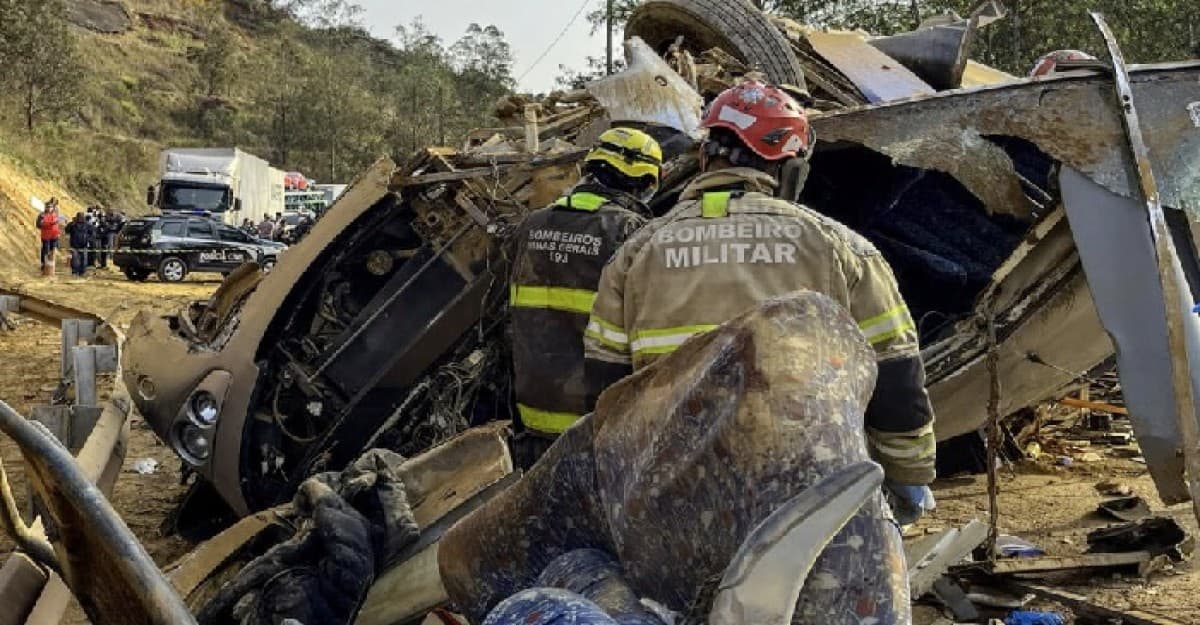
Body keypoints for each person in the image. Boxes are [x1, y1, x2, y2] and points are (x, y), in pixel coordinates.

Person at [440, 82, 936, 625]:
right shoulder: (840, 248)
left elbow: (605, 404)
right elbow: (898, 382)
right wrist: (910, 479)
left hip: (670, 515)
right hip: (812, 506)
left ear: (704, 158)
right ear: (789, 165)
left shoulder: (635, 255)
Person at [507, 127, 661, 466]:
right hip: (593, 423)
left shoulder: (531, 225)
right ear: (642, 181)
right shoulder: (629, 231)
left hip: (531, 417)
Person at [36, 199, 63, 277]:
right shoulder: (42, 215)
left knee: (53, 250)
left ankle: (51, 266)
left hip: (54, 235)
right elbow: (38, 225)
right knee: (45, 250)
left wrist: (58, 232)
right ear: (45, 207)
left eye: (50, 207)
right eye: (47, 207)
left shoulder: (55, 214)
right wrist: (47, 224)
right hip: (45, 236)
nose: (49, 208)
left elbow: (60, 223)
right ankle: (44, 264)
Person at [64, 212, 95, 277]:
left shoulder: (87, 224)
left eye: (81, 217)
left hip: (84, 245)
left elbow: (92, 233)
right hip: (74, 245)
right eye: (79, 217)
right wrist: (71, 224)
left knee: (84, 260)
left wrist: (88, 239)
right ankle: (75, 272)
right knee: (74, 260)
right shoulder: (73, 224)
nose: (80, 218)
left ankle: (82, 272)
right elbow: (66, 230)